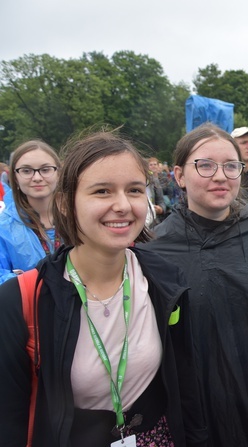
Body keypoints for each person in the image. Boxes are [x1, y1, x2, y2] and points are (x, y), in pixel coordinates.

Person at [0, 131, 207, 446]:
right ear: (65, 203)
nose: (122, 205)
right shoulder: (22, 299)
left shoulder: (166, 281)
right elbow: (9, 421)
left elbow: (186, 388)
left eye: (134, 190)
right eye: (102, 191)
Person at [142, 123, 248, 447]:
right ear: (179, 175)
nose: (220, 176)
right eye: (205, 165)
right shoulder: (154, 251)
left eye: (230, 165)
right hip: (199, 412)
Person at [0, 140, 61, 284]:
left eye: (45, 169)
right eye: (27, 171)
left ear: (58, 173)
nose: (37, 178)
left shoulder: (79, 218)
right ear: (15, 177)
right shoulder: (3, 228)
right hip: (27, 305)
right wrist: (23, 281)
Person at [146, 157, 166, 227]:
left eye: (155, 164)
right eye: (151, 165)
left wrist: (161, 209)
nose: (153, 166)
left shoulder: (156, 180)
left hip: (153, 221)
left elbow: (161, 201)